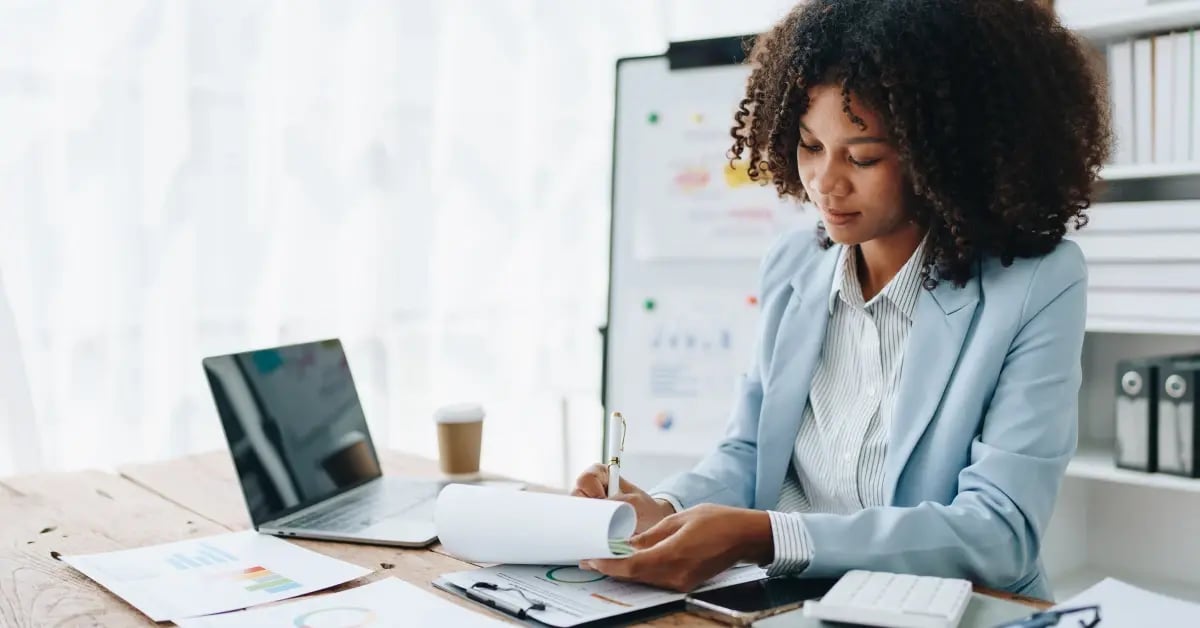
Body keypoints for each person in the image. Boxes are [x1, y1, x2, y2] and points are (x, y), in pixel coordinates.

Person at [572, 0, 1110, 600]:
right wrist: (663, 507)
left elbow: (998, 534)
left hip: (963, 610)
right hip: (798, 603)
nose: (826, 183)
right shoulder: (794, 264)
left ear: (947, 155)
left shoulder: (1036, 283)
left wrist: (768, 536)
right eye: (808, 146)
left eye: (862, 156)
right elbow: (749, 451)